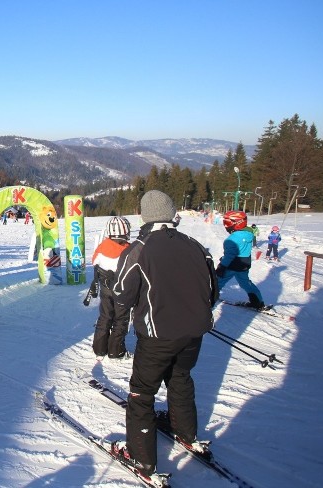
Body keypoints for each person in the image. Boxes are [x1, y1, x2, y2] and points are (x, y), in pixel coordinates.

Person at [110, 190, 217, 478]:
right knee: (180, 377)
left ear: (146, 215)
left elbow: (121, 292)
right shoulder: (195, 245)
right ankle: (187, 433)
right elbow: (213, 289)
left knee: (141, 392)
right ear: (171, 213)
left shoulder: (140, 248)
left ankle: (141, 458)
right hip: (194, 332)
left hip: (157, 335)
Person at [90, 216, 132, 360]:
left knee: (105, 316)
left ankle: (99, 349)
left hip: (105, 287)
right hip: (123, 290)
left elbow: (94, 261)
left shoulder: (102, 246)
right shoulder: (128, 249)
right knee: (121, 319)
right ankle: (116, 351)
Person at [216, 210, 266, 310]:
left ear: (237, 223)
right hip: (244, 264)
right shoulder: (248, 233)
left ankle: (207, 301)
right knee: (245, 283)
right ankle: (257, 302)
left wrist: (222, 266)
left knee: (218, 282)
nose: (226, 226)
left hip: (232, 265)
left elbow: (230, 256)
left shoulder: (232, 239)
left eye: (227, 223)